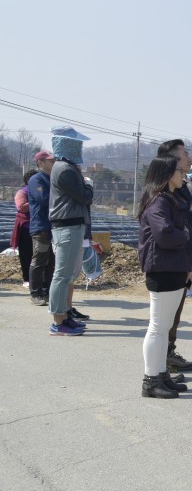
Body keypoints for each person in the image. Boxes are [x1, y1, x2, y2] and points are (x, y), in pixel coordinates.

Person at [137, 155, 192, 398]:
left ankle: (161, 374)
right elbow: (165, 234)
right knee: (158, 327)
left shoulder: (169, 199)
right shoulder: (158, 201)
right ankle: (151, 380)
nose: (184, 175)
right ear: (167, 174)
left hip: (172, 268)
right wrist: (184, 235)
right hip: (162, 269)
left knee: (163, 327)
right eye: (180, 171)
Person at [157, 139, 192, 373]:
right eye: (185, 154)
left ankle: (168, 354)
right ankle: (160, 363)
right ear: (172, 159)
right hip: (168, 264)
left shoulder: (181, 188)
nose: (190, 158)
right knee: (163, 319)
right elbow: (169, 231)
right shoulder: (161, 195)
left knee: (175, 313)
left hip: (182, 258)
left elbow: (189, 226)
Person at [47, 126, 93, 336]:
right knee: (62, 275)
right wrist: (89, 187)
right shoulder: (64, 169)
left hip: (71, 225)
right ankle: (58, 321)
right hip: (67, 225)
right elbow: (84, 196)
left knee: (69, 274)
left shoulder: (67, 167)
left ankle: (65, 315)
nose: (80, 147)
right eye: (76, 143)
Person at [27, 151, 56, 306]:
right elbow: (43, 198)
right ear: (40, 163)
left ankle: (47, 291)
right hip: (41, 226)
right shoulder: (36, 179)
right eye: (49, 161)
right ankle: (36, 293)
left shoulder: (52, 178)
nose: (53, 163)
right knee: (39, 260)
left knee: (52, 262)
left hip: (53, 226)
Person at [11, 170, 34, 289]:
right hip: (26, 228)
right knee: (26, 255)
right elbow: (21, 207)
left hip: (40, 227)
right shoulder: (22, 193)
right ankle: (27, 278)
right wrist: (36, 202)